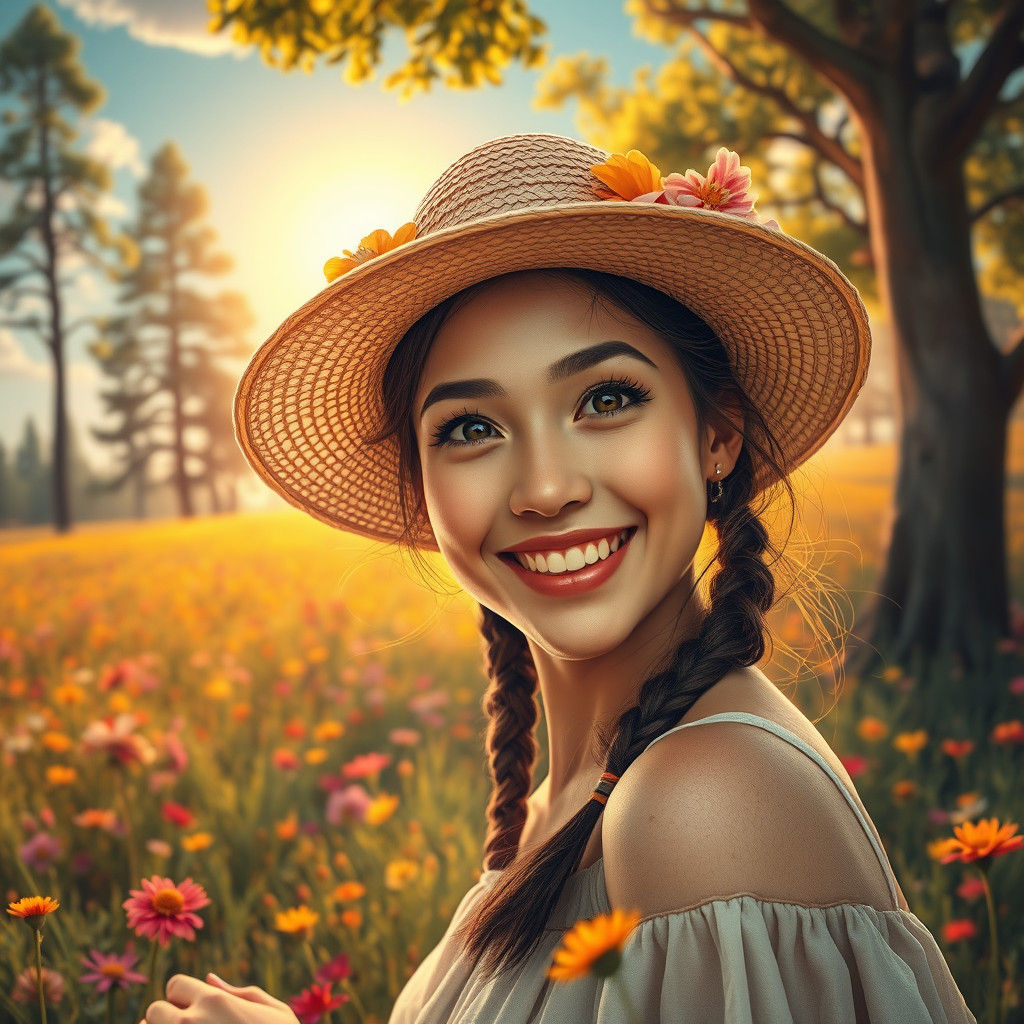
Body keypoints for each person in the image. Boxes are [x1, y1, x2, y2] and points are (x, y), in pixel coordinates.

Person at [140, 133, 978, 1023]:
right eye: (470, 428)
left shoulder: (704, 796)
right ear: (424, 495)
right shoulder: (569, 800)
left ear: (716, 436)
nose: (545, 489)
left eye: (606, 399)